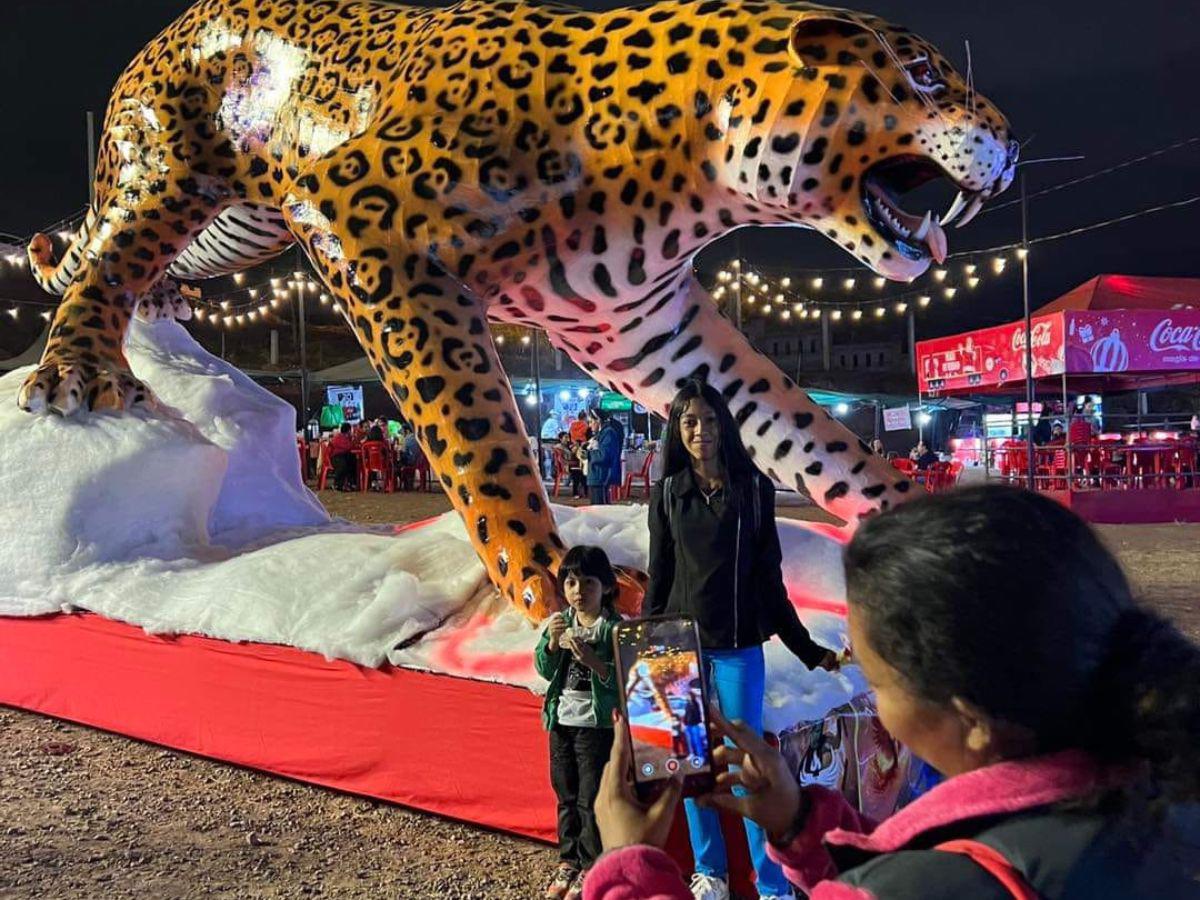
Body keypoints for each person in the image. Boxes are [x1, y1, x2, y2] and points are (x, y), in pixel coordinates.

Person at [586, 486, 1200, 899]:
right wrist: (801, 824)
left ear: (972, 717)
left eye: (877, 681)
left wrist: (628, 867)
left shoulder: (940, 882)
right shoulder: (1164, 794)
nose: (874, 700)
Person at [645, 379, 832, 900]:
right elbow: (658, 578)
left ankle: (770, 881)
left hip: (737, 648)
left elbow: (768, 580)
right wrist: (637, 657)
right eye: (689, 422)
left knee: (747, 761)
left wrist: (808, 649)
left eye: (708, 420)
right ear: (677, 432)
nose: (700, 431)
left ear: (722, 425)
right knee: (689, 761)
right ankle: (711, 874)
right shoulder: (666, 495)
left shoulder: (753, 490)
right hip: (676, 651)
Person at [534, 546, 621, 900]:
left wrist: (595, 663)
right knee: (565, 792)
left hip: (595, 725)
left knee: (589, 797)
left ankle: (592, 863)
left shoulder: (613, 630)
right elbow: (543, 668)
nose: (578, 591)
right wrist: (553, 644)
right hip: (561, 722)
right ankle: (568, 860)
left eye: (588, 583)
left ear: (606, 588)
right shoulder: (559, 622)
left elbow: (624, 681)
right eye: (571, 582)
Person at [586, 410, 622, 505]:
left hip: (601, 477)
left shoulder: (608, 433)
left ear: (598, 420)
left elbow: (603, 456)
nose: (589, 425)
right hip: (596, 476)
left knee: (599, 509)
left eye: (591, 422)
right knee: (596, 509)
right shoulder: (601, 433)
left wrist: (588, 454)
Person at [328, 423, 357, 491]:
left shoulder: (346, 437)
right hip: (336, 457)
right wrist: (353, 441)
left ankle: (350, 483)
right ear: (349, 430)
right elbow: (348, 447)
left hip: (343, 456)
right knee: (343, 466)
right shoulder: (339, 437)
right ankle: (337, 484)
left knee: (353, 462)